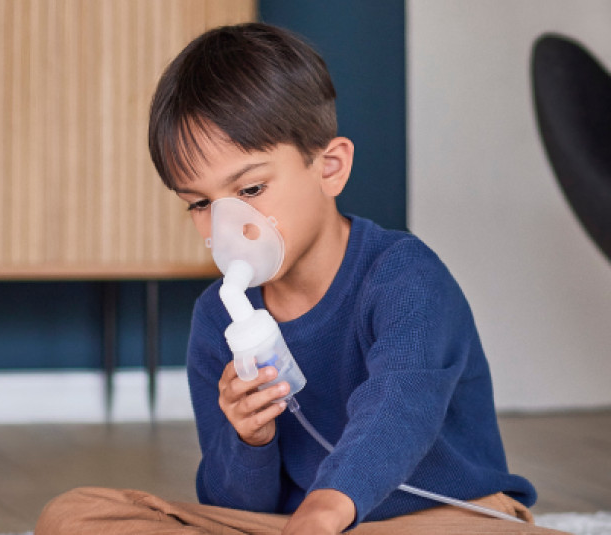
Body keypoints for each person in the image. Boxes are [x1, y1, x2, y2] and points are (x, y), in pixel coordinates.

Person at [36, 22, 559, 535]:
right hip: (293, 526)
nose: (229, 225)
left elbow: (400, 408)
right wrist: (250, 441)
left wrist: (327, 510)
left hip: (443, 518)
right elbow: (231, 505)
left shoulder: (405, 277)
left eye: (252, 189)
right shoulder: (217, 318)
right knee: (75, 516)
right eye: (200, 204)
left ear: (329, 167)